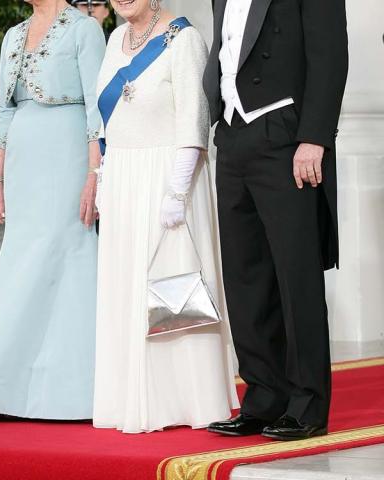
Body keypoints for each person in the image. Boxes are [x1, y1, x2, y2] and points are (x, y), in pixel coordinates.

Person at [204, 0, 349, 441]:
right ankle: (264, 398)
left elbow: (330, 54)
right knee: (245, 277)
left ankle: (307, 406)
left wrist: (315, 138)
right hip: (231, 136)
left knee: (296, 277)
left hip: (287, 139)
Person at [92, 0, 238, 434]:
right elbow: (106, 122)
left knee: (175, 287)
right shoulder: (115, 39)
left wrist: (176, 191)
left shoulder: (184, 39)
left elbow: (194, 121)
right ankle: (129, 401)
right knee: (128, 289)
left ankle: (189, 400)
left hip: (166, 179)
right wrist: (102, 178)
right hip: (123, 179)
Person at [0, 0, 105, 420]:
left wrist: (96, 173)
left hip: (68, 153)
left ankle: (77, 393)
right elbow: (4, 110)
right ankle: (3, 390)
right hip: (24, 158)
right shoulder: (12, 35)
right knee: (21, 262)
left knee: (69, 256)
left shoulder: (84, 30)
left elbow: (97, 110)